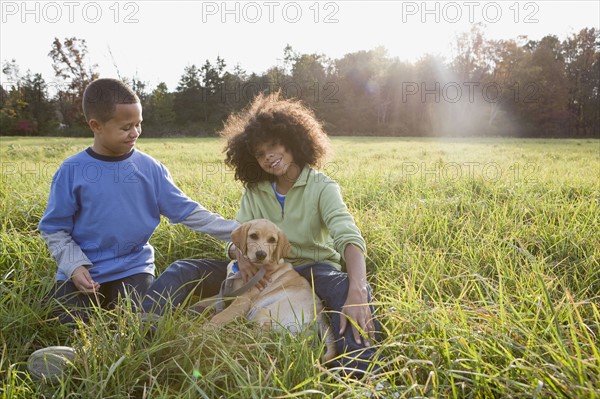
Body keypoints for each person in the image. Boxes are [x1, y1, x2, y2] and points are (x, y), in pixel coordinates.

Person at [142, 91, 381, 377]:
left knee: (350, 289)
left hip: (313, 268)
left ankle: (360, 375)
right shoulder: (255, 191)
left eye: (274, 145)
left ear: (294, 141)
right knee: (183, 268)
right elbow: (239, 237)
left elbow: (348, 236)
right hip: (259, 267)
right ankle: (141, 332)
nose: (268, 155)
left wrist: (357, 289)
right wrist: (239, 255)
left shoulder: (322, 186)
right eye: (259, 152)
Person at [29, 78, 238, 380]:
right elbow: (54, 228)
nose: (135, 132)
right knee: (70, 321)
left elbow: (189, 211)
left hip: (132, 268)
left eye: (139, 124)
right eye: (126, 127)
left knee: (142, 321)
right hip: (81, 272)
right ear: (96, 125)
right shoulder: (72, 170)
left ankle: (99, 358)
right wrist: (74, 267)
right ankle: (76, 358)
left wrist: (238, 232)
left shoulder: (149, 168)